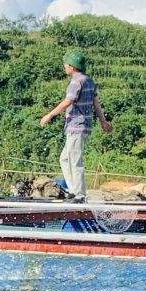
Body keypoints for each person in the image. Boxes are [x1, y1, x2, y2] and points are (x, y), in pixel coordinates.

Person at [39, 49, 110, 201]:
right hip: (82, 126)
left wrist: (49, 115)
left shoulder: (76, 82)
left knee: (74, 159)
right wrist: (103, 121)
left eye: (66, 64)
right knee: (65, 158)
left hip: (76, 126)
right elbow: (96, 103)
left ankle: (80, 194)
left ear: (72, 66)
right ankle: (73, 189)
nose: (64, 66)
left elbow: (68, 101)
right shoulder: (89, 81)